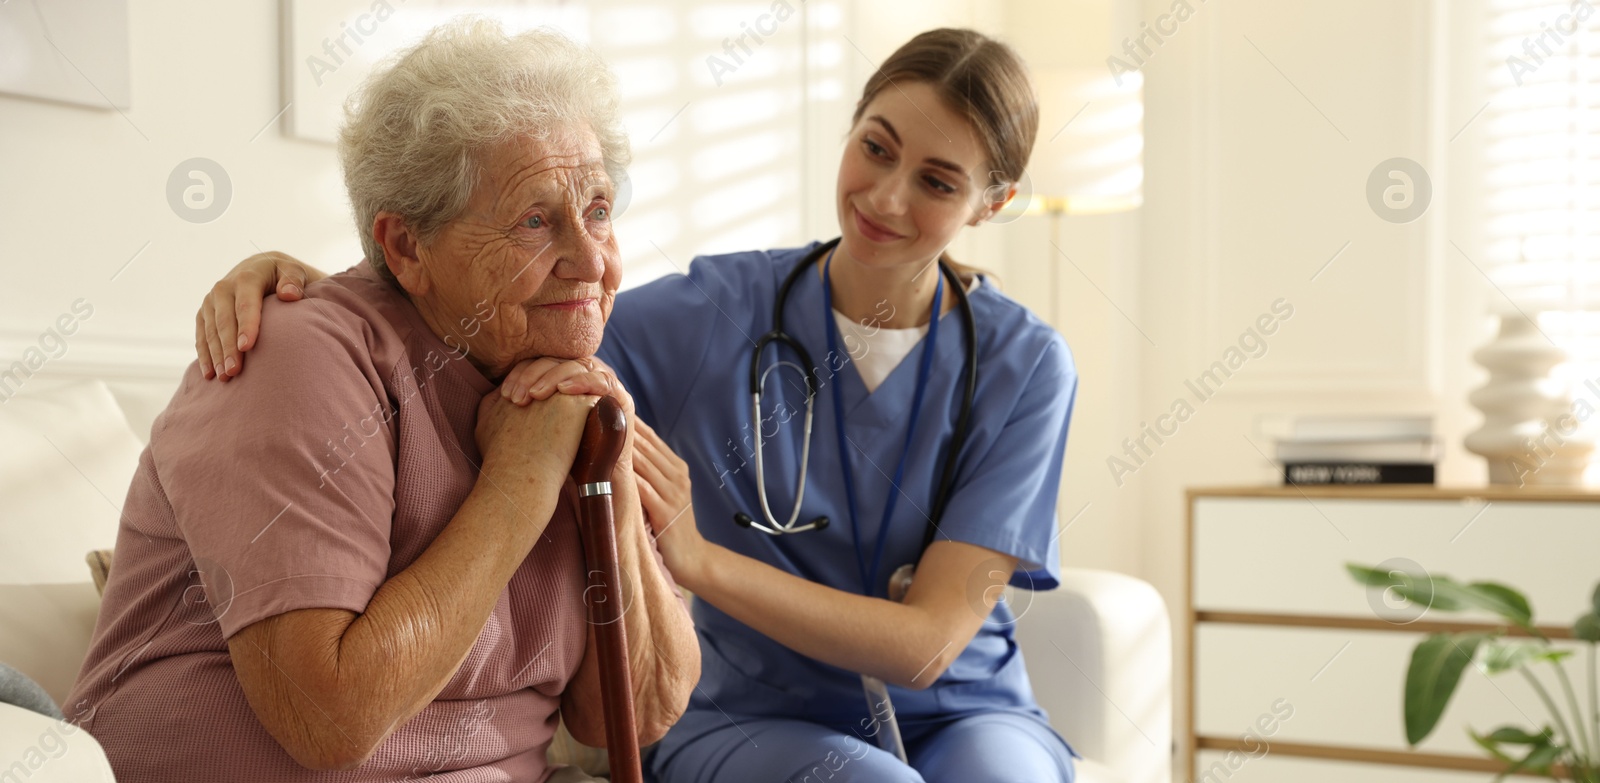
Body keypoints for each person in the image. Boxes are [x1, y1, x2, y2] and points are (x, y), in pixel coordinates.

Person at [197, 28, 1079, 782]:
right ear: (848, 130)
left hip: (964, 708)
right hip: (753, 707)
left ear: (994, 201)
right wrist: (305, 286)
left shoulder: (1026, 364)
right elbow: (492, 310)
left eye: (937, 181)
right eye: (877, 148)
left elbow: (928, 646)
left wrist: (697, 557)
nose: (886, 197)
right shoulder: (706, 314)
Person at [67, 20, 697, 783]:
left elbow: (633, 711)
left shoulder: (553, 377)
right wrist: (520, 481)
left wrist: (607, 468)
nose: (592, 259)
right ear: (405, 249)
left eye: (598, 209)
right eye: (535, 220)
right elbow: (329, 718)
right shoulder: (300, 357)